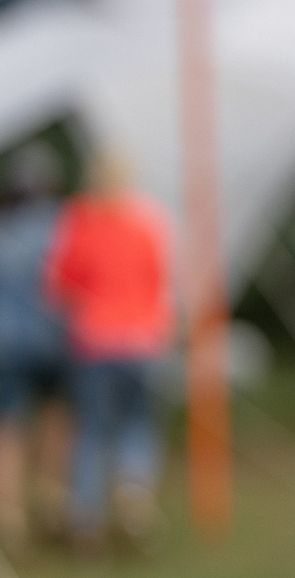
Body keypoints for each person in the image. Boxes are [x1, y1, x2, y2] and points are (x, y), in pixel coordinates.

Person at [43, 152, 174, 551]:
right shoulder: (147, 221)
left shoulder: (80, 220)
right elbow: (161, 280)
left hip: (93, 340)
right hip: (143, 340)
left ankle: (87, 519)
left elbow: (57, 282)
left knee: (93, 429)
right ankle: (133, 495)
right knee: (137, 424)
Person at [0, 142, 71, 553]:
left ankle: (10, 515)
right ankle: (51, 499)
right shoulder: (63, 226)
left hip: (6, 345)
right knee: (58, 416)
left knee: (8, 428)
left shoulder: (4, 230)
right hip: (54, 341)